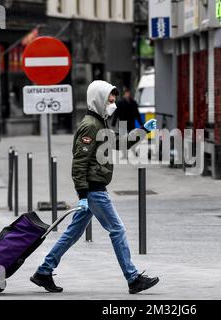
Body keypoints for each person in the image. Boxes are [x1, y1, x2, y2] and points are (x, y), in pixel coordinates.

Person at [30, 80, 159, 294]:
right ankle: (133, 278)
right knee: (117, 230)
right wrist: (82, 194)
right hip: (94, 190)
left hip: (92, 188)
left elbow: (119, 142)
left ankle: (43, 271)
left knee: (73, 233)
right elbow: (79, 162)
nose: (113, 102)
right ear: (98, 99)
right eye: (109, 98)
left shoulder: (100, 122)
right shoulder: (91, 125)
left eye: (114, 97)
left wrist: (143, 130)